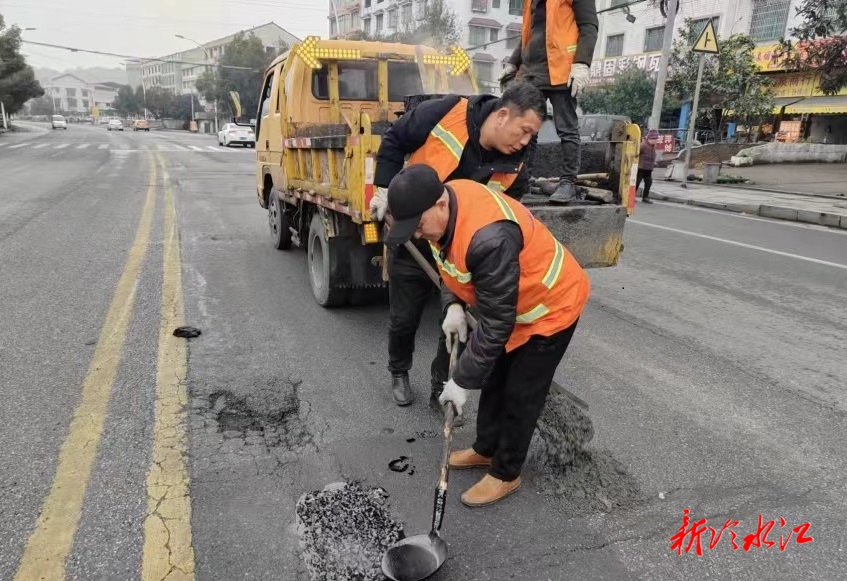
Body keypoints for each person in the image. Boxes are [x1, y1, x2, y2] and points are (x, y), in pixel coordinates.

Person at [384, 164, 590, 507]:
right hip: (512, 308)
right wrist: (452, 305)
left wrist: (461, 381)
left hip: (551, 306)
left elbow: (495, 324)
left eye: (418, 226)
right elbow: (451, 266)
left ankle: (506, 473)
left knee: (520, 393)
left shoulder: (488, 236)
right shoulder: (442, 212)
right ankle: (485, 448)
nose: (419, 235)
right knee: (494, 378)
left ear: (439, 204)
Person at [370, 82, 547, 408]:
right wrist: (383, 189)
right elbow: (395, 140)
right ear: (503, 115)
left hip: (459, 253)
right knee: (404, 317)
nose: (525, 142)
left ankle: (443, 383)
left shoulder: (516, 166)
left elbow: (502, 216)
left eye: (531, 136)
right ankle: (399, 371)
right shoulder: (445, 111)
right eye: (523, 131)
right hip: (416, 237)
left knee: (454, 322)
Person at [500, 0, 599, 204]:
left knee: (567, 129)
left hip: (561, 70)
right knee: (527, 129)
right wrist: (513, 63)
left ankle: (567, 183)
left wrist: (581, 63)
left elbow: (589, 27)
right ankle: (522, 179)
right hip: (531, 72)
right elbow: (528, 34)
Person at [637, 129, 660, 204]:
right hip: (641, 168)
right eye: (655, 139)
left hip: (648, 169)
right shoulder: (643, 145)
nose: (656, 140)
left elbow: (653, 156)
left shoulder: (653, 146)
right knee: (636, 183)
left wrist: (654, 163)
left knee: (648, 183)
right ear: (650, 138)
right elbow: (636, 154)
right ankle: (631, 197)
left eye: (657, 139)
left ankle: (645, 197)